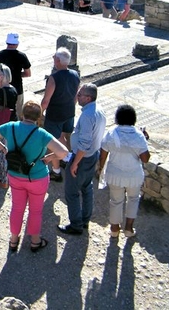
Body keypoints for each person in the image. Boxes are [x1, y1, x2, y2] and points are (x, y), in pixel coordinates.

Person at [0, 101, 68, 253]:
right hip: (37, 178)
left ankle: (14, 240)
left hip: (15, 175)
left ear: (22, 114)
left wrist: (3, 148)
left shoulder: (11, 127)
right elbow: (63, 152)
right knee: (35, 211)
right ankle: (35, 241)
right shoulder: (42, 134)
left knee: (17, 207)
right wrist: (49, 157)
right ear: (38, 117)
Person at [58, 83, 106, 235]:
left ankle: (76, 225)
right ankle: (85, 220)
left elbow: (84, 144)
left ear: (88, 97)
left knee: (71, 192)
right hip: (93, 156)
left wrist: (75, 163)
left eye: (79, 95)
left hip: (82, 158)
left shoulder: (87, 116)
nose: (77, 97)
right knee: (87, 188)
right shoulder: (99, 110)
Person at [98, 104, 150, 238]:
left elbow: (103, 154)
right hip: (134, 175)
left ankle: (114, 230)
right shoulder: (139, 136)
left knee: (115, 201)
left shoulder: (111, 133)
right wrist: (145, 140)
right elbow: (145, 159)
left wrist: (100, 169)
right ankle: (128, 229)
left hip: (115, 174)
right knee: (133, 199)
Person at [40, 47, 80, 178]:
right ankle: (66, 160)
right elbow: (76, 96)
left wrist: (39, 113)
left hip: (55, 115)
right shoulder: (75, 75)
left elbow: (46, 100)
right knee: (63, 137)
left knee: (54, 143)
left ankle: (56, 172)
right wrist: (70, 107)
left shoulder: (53, 78)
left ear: (57, 60)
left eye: (54, 57)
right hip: (69, 113)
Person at [0, 33, 31, 119]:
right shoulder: (22, 56)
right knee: (16, 114)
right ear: (17, 44)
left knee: (0, 115)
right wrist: (15, 75)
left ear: (7, 42)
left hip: (1, 90)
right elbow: (28, 73)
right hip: (17, 90)